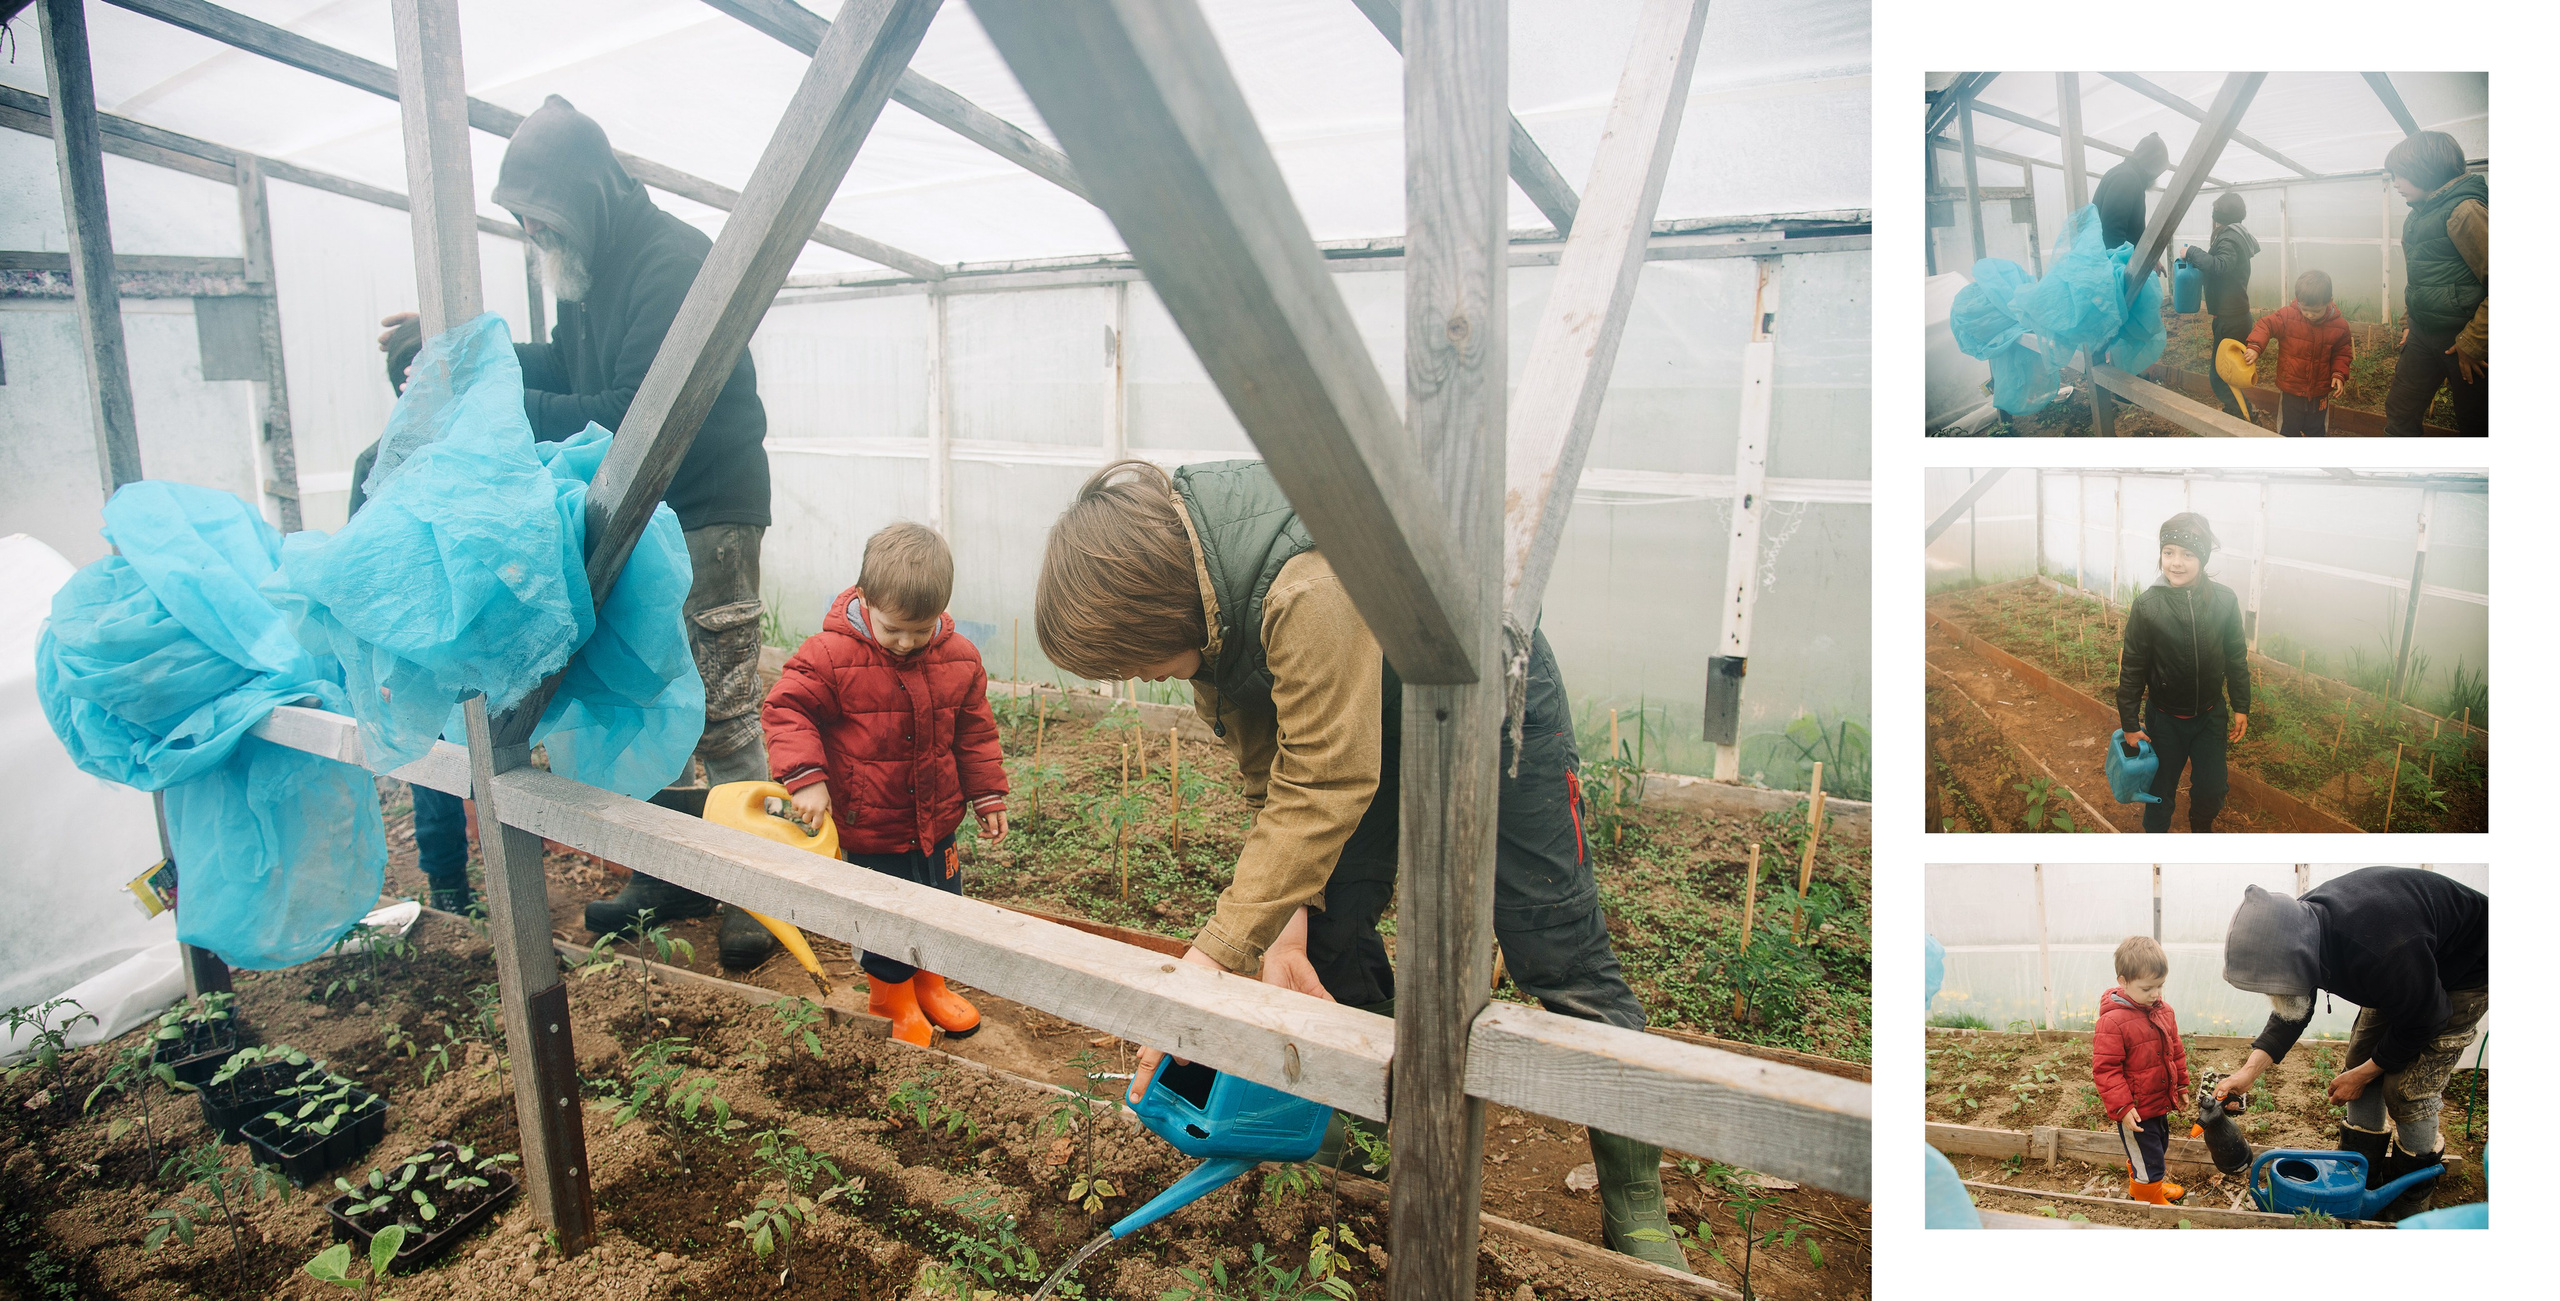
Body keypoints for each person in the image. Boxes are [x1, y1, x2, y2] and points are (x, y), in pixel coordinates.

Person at [1033, 459, 1688, 1271]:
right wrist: (1282, 928)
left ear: (1153, 606)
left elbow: (1325, 780)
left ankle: (1633, 1194)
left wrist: (1205, 969)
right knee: (1327, 938)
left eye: (1135, 662)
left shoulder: (1300, 583)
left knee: (1553, 944)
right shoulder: (1210, 608)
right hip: (1350, 726)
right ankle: (1392, 1127)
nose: (1142, 678)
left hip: (1483, 698)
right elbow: (1272, 773)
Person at [381, 95, 779, 968]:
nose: (533, 235)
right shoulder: (595, 267)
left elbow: (625, 415)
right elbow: (566, 369)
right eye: (524, 221)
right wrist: (461, 357)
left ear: (590, 194)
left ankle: (756, 883)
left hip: (705, 513)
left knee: (720, 703)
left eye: (541, 218)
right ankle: (675, 871)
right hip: (642, 519)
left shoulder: (670, 264)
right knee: (652, 691)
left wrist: (484, 402)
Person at [761, 523, 1008, 1048]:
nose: (906, 642)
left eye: (921, 631)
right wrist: (807, 780)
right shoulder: (830, 656)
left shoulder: (958, 656)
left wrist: (986, 793)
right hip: (871, 823)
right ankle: (890, 999)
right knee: (884, 916)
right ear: (865, 598)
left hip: (937, 820)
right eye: (894, 628)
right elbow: (786, 709)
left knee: (943, 903)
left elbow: (975, 731)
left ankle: (930, 983)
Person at [2214, 867, 2488, 1218]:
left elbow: (2428, 1017)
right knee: (2360, 1057)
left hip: (2466, 969)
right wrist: (2248, 1072)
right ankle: (2361, 1174)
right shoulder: (2300, 926)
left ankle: (2410, 1200)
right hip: (2406, 970)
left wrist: (2363, 1075)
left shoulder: (2379, 949)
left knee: (2407, 1089)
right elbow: (2292, 1007)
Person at [348, 339, 474, 917]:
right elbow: (358, 567)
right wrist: (382, 660)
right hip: (414, 641)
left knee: (493, 759)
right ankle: (449, 887)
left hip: (473, 633)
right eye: (413, 375)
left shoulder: (480, 448)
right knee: (433, 764)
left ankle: (502, 880)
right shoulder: (377, 461)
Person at [2115, 513, 2249, 834]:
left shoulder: (2224, 601)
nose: (2176, 562)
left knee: (2213, 788)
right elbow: (2132, 669)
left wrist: (2241, 705)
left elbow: (2235, 656)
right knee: (2160, 792)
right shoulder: (2148, 607)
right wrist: (2130, 725)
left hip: (2209, 717)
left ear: (2202, 558)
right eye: (2169, 552)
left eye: (2187, 554)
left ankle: (2201, 829)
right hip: (2165, 722)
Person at [2380, 131, 2485, 436]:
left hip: (2461, 339)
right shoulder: (2417, 216)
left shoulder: (2464, 212)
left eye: (2401, 175)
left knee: (2476, 421)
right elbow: (2424, 276)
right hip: (2422, 334)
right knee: (2400, 410)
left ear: (2427, 169)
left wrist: (2473, 342)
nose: (2396, 183)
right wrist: (2409, 320)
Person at [2091, 936, 2191, 1205]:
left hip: (2158, 1100)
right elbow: (2106, 1070)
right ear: (2123, 981)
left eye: (2160, 986)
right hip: (2135, 1109)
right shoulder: (2112, 1021)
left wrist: (2181, 1084)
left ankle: (2150, 1186)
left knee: (2158, 1148)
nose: (2155, 994)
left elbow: (2175, 1050)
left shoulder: (2163, 1011)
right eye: (2148, 988)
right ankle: (2148, 1198)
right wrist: (2122, 1107)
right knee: (2146, 1156)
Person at [2244, 271, 2356, 437]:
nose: (2309, 315)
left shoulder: (2339, 326)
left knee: (2317, 431)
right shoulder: (2288, 316)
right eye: (2305, 310)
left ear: (2329, 301)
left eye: (2316, 311)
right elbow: (2266, 325)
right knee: (2288, 430)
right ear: (2299, 301)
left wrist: (2339, 374)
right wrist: (2255, 346)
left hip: (2320, 392)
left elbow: (2342, 352)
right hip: (2291, 388)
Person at [2180, 191, 2259, 418]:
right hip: (2233, 316)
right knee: (2227, 373)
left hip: (2232, 320)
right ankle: (2238, 413)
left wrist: (2191, 251)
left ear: (2218, 216)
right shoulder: (2237, 234)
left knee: (2220, 377)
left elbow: (2220, 265)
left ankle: (2245, 418)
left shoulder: (2229, 237)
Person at [2094, 132, 2171, 254]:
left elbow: (2133, 230)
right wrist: (2125, 268)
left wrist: (2145, 258)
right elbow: (2112, 233)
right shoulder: (2126, 179)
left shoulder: (2130, 177)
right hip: (2113, 264)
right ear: (2152, 165)